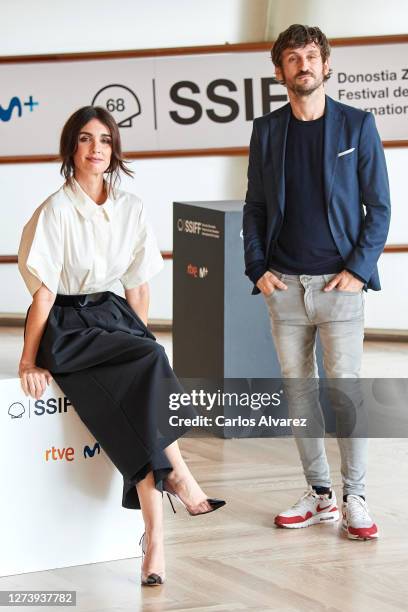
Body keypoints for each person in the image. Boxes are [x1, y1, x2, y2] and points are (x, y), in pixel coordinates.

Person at [17, 105, 225, 586]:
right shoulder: (56, 209)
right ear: (72, 148)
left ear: (115, 150)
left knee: (144, 366)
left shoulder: (130, 206)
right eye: (87, 139)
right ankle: (180, 475)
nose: (97, 149)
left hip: (110, 316)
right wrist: (29, 358)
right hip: (65, 326)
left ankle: (155, 540)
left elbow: (139, 285)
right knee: (150, 357)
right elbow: (44, 293)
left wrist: (135, 336)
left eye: (106, 141)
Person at [243, 24, 391, 540]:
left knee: (347, 393)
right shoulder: (267, 131)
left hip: (339, 288)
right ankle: (320, 495)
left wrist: (356, 271)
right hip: (283, 287)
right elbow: (256, 208)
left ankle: (356, 497)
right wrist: (258, 268)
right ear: (280, 70)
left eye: (311, 56)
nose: (303, 65)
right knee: (300, 396)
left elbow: (381, 209)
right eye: (292, 58)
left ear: (326, 65)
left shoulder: (357, 125)